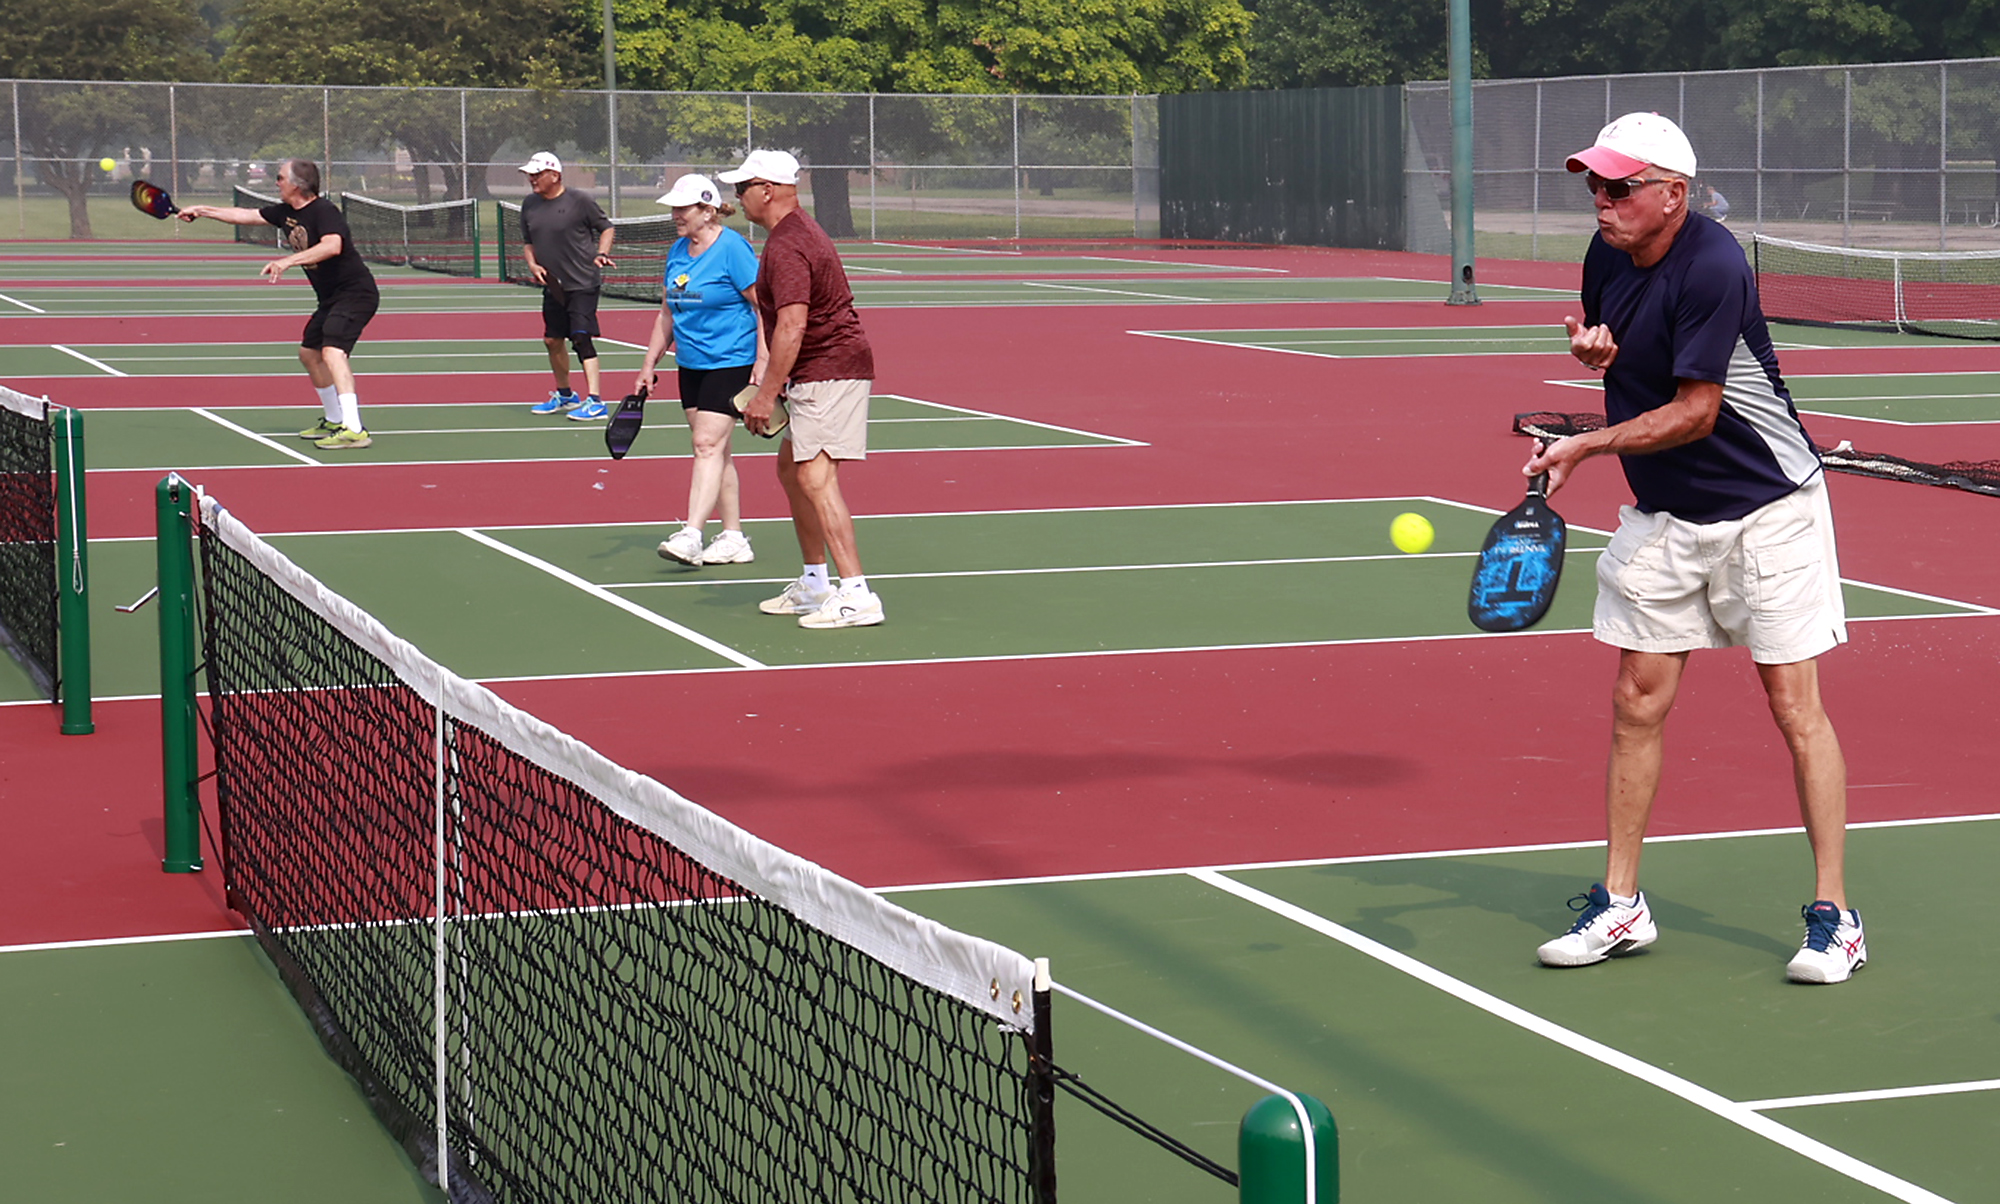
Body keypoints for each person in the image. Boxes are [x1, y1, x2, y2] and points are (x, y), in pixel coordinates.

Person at [1527, 112, 1865, 985]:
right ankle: (1622, 904)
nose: (1601, 203)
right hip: (1670, 510)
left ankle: (1835, 917)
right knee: (1637, 697)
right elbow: (1624, 363)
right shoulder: (1606, 258)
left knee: (1795, 707)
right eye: (1594, 186)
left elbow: (1696, 411)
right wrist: (1591, 353)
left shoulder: (1714, 265)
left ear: (1672, 194)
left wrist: (1583, 446)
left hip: (1769, 509)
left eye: (1620, 187)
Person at [719, 149, 885, 630]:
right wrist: (768, 381)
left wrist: (767, 394)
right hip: (817, 367)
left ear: (767, 190)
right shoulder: (786, 237)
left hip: (831, 367)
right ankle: (816, 583)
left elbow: (791, 325)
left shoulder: (789, 245)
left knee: (814, 477)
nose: (738, 197)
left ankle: (856, 595)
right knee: (792, 471)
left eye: (742, 187)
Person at [175, 158, 379, 450]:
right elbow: (244, 215)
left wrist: (287, 260)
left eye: (281, 178)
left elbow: (332, 246)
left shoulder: (324, 211)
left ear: (297, 184)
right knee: (309, 354)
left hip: (356, 293)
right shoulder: (285, 212)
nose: (277, 182)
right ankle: (334, 420)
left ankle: (354, 429)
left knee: (333, 352)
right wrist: (202, 211)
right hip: (331, 298)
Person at [634, 174, 766, 567]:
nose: (676, 215)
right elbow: (666, 312)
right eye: (674, 208)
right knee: (717, 451)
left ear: (708, 210)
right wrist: (648, 364)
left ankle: (691, 534)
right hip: (691, 364)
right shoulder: (677, 250)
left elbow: (765, 307)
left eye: (683, 208)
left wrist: (762, 362)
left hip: (732, 361)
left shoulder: (733, 250)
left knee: (706, 446)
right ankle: (734, 537)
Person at [517, 152, 617, 421]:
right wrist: (533, 265)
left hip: (582, 281)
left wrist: (601, 253)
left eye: (537, 174)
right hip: (553, 285)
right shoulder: (529, 204)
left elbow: (606, 228)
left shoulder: (580, 201)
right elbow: (528, 241)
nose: (532, 179)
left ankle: (596, 401)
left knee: (581, 337)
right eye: (530, 175)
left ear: (555, 175)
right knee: (551, 339)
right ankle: (565, 395)